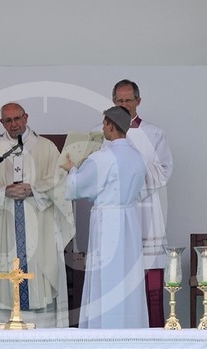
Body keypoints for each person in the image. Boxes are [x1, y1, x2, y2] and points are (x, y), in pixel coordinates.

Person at [0, 102, 75, 328]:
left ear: (26, 117)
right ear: (1, 122)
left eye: (17, 118)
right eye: (8, 120)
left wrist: (33, 189)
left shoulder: (45, 147)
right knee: (4, 271)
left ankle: (41, 323)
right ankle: (6, 319)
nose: (14, 124)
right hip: (4, 224)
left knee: (39, 267)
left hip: (39, 222)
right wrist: (2, 191)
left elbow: (60, 181)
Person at [61, 106, 148, 328]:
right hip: (130, 220)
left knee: (107, 276)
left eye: (104, 124)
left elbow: (78, 187)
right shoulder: (137, 156)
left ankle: (105, 329)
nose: (102, 128)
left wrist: (72, 169)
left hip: (108, 221)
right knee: (126, 277)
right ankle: (130, 327)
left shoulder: (103, 157)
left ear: (110, 126)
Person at [112, 79, 173, 327]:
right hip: (116, 212)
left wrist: (134, 183)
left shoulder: (154, 133)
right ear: (113, 102)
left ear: (138, 101)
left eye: (128, 100)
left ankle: (155, 337)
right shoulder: (102, 132)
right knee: (118, 284)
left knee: (151, 285)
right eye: (119, 100)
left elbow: (164, 170)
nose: (124, 105)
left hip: (147, 211)